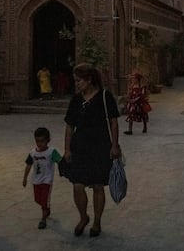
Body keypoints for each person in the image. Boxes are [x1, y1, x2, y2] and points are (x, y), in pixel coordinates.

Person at [63, 63, 122, 238]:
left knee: (98, 186)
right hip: (80, 147)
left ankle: (97, 221)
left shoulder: (105, 96)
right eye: (75, 81)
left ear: (89, 80)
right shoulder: (76, 100)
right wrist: (67, 148)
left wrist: (115, 145)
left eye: (79, 81)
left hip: (100, 146)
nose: (76, 84)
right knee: (77, 186)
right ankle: (83, 217)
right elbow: (69, 126)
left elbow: (113, 122)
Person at [23, 127, 62, 229]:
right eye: (37, 141)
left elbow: (60, 161)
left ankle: (43, 219)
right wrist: (25, 178)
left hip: (47, 180)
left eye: (42, 141)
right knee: (38, 199)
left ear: (48, 140)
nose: (39, 143)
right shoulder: (32, 153)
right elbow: (28, 165)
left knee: (44, 200)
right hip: (36, 180)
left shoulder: (51, 152)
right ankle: (46, 208)